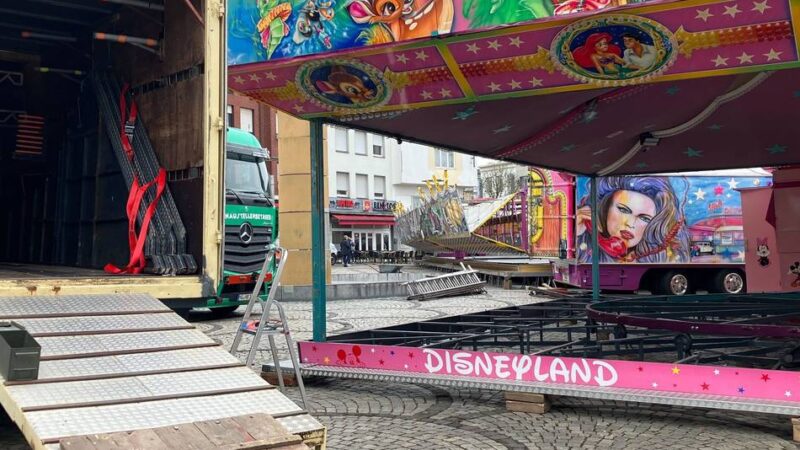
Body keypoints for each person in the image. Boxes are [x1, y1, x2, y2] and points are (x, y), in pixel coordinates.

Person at [575, 176, 690, 263]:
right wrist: (577, 234)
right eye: (623, 210)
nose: (630, 224)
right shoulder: (588, 248)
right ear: (604, 209)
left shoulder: (659, 256)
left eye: (644, 218)